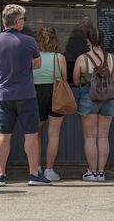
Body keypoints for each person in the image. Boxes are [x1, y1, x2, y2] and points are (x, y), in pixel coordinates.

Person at [0, 4, 51, 186]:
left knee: (3, 134)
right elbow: (38, 64)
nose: (24, 22)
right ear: (17, 21)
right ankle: (33, 174)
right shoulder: (29, 41)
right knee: (30, 134)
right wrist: (24, 66)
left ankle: (0, 175)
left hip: (3, 95)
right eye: (23, 19)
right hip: (25, 93)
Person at [73, 27, 114, 181]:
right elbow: (112, 79)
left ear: (88, 41)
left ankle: (92, 172)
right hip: (108, 98)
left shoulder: (82, 59)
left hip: (88, 96)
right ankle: (101, 172)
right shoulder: (111, 58)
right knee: (103, 136)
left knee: (90, 137)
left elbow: (76, 80)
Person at [33, 26, 68, 181]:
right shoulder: (59, 58)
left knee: (35, 134)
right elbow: (64, 79)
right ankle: (49, 169)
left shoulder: (32, 57)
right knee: (53, 134)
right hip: (55, 95)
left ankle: (36, 167)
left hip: (35, 94)